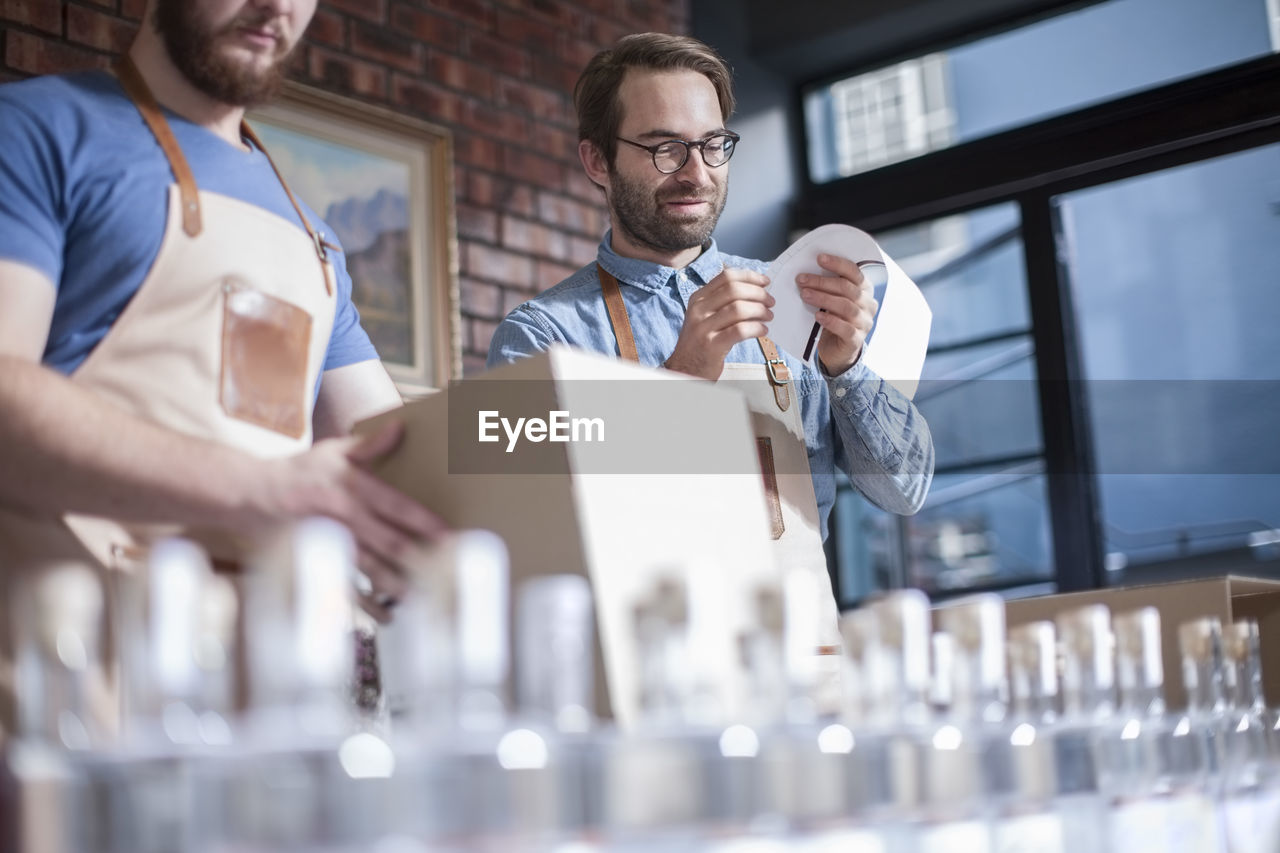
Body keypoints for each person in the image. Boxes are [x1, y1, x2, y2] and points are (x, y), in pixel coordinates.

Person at [0, 0, 439, 729]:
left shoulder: (315, 240)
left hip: (265, 708)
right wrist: (260, 488)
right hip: (70, 690)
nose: (278, 6)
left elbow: (397, 452)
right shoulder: (36, 131)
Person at [488, 34, 934, 663]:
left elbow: (904, 491)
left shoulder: (796, 295)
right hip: (649, 687)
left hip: (807, 677)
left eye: (712, 145)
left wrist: (847, 366)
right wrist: (682, 381)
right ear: (597, 162)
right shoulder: (541, 336)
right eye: (664, 148)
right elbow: (524, 537)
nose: (696, 172)